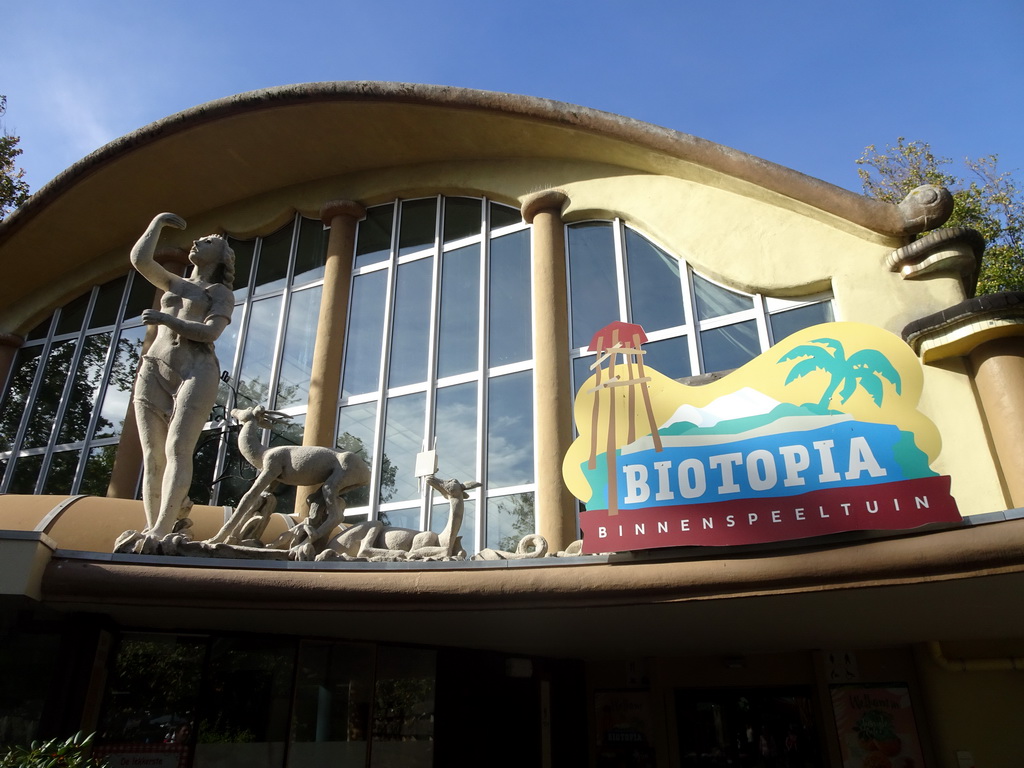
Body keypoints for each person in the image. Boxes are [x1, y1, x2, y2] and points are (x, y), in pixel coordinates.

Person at [130, 212, 234, 539]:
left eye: (207, 242)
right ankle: (154, 527)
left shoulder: (219, 292)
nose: (197, 242)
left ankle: (162, 529)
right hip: (155, 365)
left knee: (177, 448)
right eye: (199, 239)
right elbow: (141, 260)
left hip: (196, 370)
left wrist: (167, 320)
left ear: (220, 257)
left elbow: (210, 332)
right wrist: (157, 224)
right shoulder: (174, 283)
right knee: (152, 454)